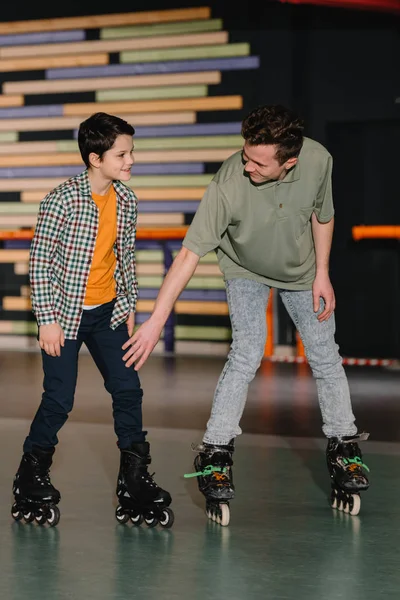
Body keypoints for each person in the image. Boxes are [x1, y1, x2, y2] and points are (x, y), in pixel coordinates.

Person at [121, 104, 370, 524]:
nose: (247, 165)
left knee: (326, 355)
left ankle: (344, 445)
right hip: (244, 268)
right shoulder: (228, 183)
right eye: (245, 154)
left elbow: (322, 215)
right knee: (246, 352)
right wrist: (157, 319)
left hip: (302, 270)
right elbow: (188, 255)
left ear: (289, 162)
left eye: (258, 161)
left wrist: (323, 274)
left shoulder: (318, 160)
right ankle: (215, 451)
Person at [11, 112, 173, 528]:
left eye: (132, 151)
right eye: (123, 154)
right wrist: (46, 320)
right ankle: (30, 475)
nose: (131, 160)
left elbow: (125, 260)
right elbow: (40, 264)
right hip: (63, 317)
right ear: (95, 158)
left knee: (127, 389)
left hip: (108, 314)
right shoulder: (62, 199)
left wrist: (130, 305)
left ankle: (134, 479)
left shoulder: (127, 201)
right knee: (59, 399)